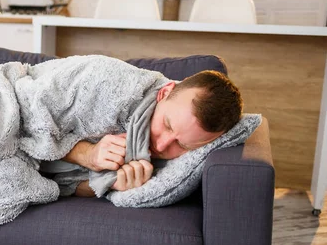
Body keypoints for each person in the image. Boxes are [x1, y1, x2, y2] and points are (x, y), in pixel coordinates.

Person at [49, 69, 243, 197]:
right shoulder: (118, 92)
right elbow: (31, 126)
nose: (160, 145)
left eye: (182, 146)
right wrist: (87, 154)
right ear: (164, 92)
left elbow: (62, 184)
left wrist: (111, 184)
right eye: (167, 125)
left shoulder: (173, 170)